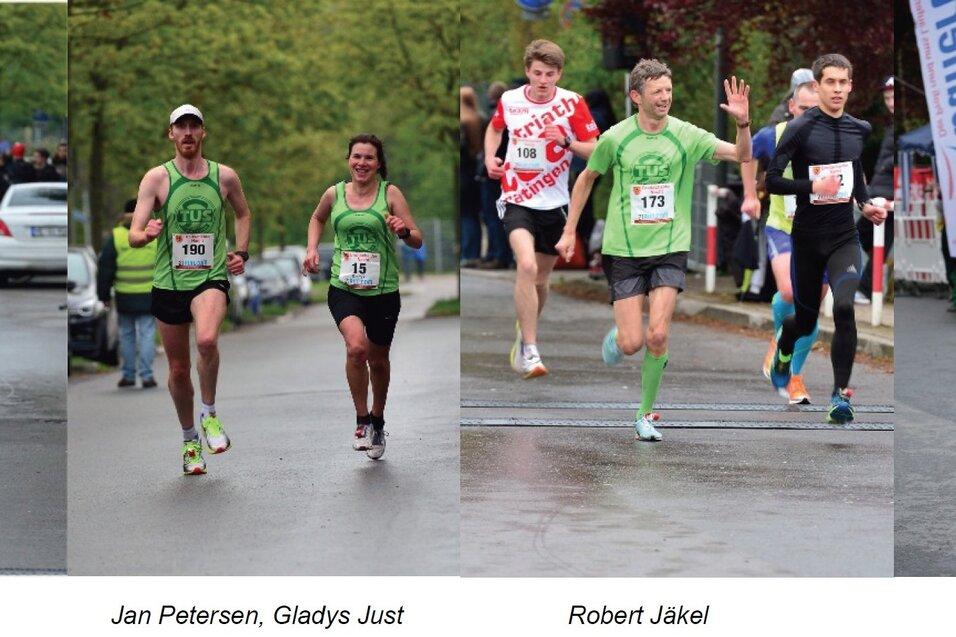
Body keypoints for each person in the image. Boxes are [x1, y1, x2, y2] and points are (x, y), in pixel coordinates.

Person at [557, 58, 753, 442]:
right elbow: (586, 178)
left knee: (658, 335)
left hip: (670, 246)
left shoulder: (686, 134)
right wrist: (569, 231)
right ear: (636, 96)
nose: (665, 97)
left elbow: (742, 155)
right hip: (624, 249)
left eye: (668, 90)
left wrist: (743, 124)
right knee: (632, 342)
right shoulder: (616, 138)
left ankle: (644, 414)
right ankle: (619, 338)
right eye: (656, 92)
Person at [128, 104, 252, 475]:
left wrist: (242, 251)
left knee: (207, 340)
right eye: (180, 127)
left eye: (193, 126)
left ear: (202, 132)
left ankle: (209, 414)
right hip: (168, 282)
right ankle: (189, 442)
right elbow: (134, 233)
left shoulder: (224, 176)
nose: (187, 133)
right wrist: (146, 233)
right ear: (171, 134)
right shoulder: (157, 178)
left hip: (210, 275)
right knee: (179, 370)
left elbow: (243, 213)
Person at [766, 54, 887, 424]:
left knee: (845, 307)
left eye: (843, 82)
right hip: (807, 239)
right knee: (803, 322)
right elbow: (772, 180)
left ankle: (839, 396)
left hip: (843, 237)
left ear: (851, 86)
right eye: (830, 82)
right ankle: (784, 350)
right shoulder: (799, 128)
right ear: (817, 86)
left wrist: (865, 204)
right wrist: (812, 186)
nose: (837, 89)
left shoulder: (859, 129)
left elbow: (855, 170)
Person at [303, 134, 422, 460]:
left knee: (378, 361)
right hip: (344, 288)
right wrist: (312, 248)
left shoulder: (390, 194)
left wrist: (402, 230)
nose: (362, 163)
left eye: (369, 158)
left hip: (383, 291)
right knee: (357, 348)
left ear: (378, 163)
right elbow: (317, 217)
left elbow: (417, 239)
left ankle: (378, 420)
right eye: (356, 156)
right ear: (349, 160)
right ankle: (361, 420)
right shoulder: (334, 193)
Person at [485, 39, 600, 379]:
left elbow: (596, 150)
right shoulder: (510, 100)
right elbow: (494, 129)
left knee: (541, 279)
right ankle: (531, 350)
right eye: (537, 73)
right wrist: (490, 157)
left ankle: (526, 328)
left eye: (550, 74)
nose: (543, 80)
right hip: (516, 197)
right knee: (526, 264)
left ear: (559, 74)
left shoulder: (572, 103)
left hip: (554, 202)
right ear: (527, 71)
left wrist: (566, 141)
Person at [741, 79, 823, 404]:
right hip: (783, 226)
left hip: (821, 232)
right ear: (791, 107)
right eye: (803, 109)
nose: (809, 115)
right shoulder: (773, 135)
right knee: (789, 291)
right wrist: (750, 194)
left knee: (810, 309)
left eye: (815, 110)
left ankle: (794, 375)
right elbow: (746, 154)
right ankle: (781, 348)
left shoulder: (835, 137)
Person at [97, 199, 158, 389]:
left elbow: (105, 268)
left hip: (125, 295)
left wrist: (104, 295)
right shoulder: (154, 235)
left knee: (127, 335)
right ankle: (147, 376)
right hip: (150, 295)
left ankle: (128, 375)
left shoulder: (116, 237)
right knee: (147, 334)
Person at [855, 75, 896, 304]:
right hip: (878, 192)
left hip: (889, 195)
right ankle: (869, 281)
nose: (890, 102)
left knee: (880, 239)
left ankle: (865, 289)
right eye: (887, 98)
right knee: (862, 234)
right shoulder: (891, 124)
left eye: (893, 97)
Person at [460, 86, 483, 267]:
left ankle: (468, 253)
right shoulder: (479, 119)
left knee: (466, 215)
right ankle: (473, 252)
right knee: (473, 215)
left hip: (464, 174)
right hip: (475, 172)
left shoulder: (462, 122)